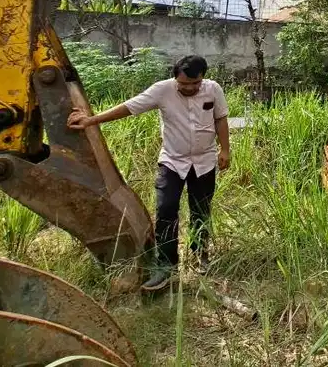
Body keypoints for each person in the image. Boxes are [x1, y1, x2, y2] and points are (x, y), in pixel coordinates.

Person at [67, 54, 230, 292]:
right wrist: (91, 120)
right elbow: (129, 107)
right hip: (172, 161)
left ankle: (200, 254)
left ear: (202, 78)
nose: (190, 89)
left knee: (201, 208)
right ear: (175, 79)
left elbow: (221, 119)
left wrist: (225, 149)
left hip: (204, 162)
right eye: (184, 85)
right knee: (166, 209)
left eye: (195, 84)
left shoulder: (213, 89)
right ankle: (165, 265)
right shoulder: (162, 90)